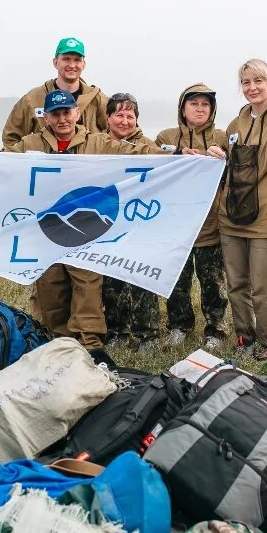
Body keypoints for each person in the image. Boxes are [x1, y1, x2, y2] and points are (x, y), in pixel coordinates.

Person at [8, 90, 150, 361]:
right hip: (45, 231)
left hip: (85, 229)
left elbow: (137, 152)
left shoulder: (97, 142)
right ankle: (59, 341)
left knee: (88, 286)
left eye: (67, 113)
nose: (62, 119)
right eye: (56, 114)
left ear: (77, 113)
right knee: (51, 287)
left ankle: (90, 344)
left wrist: (182, 154)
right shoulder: (31, 143)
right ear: (46, 117)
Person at [208, 60, 267, 360]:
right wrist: (217, 156)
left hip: (266, 219)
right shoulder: (236, 124)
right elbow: (232, 168)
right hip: (232, 218)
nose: (252, 87)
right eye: (246, 82)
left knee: (263, 286)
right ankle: (244, 337)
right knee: (236, 284)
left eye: (258, 81)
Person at [156, 84, 229, 350]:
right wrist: (175, 154)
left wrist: (222, 159)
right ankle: (179, 326)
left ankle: (216, 330)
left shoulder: (222, 136)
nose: (200, 109)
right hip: (175, 227)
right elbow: (153, 169)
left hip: (210, 225)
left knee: (213, 283)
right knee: (177, 281)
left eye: (205, 104)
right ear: (182, 108)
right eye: (194, 104)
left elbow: (235, 175)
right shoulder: (165, 135)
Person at [100, 92, 164, 352]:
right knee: (111, 280)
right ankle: (117, 330)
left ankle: (148, 334)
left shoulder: (148, 147)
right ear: (108, 117)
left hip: (139, 224)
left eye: (130, 116)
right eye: (119, 114)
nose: (125, 121)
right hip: (108, 222)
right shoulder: (97, 145)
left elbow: (175, 165)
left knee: (140, 279)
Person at [2, 36, 108, 147]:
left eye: (77, 60)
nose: (72, 65)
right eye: (66, 59)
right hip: (46, 163)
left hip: (86, 164)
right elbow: (11, 138)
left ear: (84, 64)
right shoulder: (33, 99)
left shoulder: (97, 99)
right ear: (55, 62)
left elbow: (115, 135)